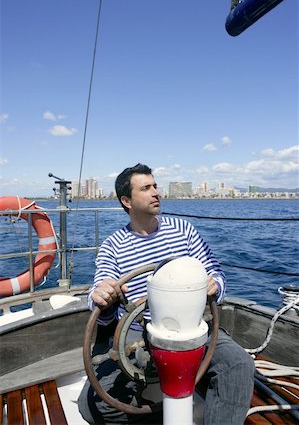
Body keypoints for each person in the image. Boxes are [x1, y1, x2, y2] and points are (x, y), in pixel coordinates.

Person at [79, 163, 255, 425]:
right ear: (126, 201)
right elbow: (100, 296)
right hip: (138, 330)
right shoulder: (112, 246)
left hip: (190, 323)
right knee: (95, 406)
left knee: (239, 366)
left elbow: (216, 272)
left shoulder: (183, 230)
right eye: (146, 188)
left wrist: (214, 285)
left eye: (155, 186)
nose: (156, 193)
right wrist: (103, 297)